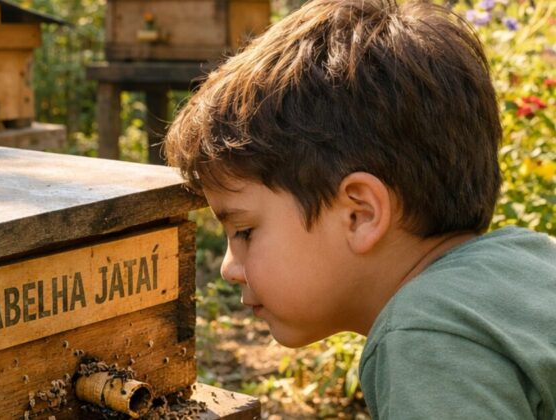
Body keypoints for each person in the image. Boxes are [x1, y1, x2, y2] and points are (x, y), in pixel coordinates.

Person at [163, 0, 556, 418]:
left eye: (244, 231)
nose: (228, 268)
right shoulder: (529, 259)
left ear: (360, 215)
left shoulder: (427, 337)